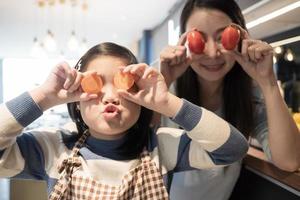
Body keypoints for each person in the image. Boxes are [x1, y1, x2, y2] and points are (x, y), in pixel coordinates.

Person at [0, 42, 249, 199]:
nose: (110, 96)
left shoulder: (161, 147)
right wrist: (44, 97)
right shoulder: (52, 149)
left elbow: (233, 149)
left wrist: (167, 103)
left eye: (124, 85)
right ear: (77, 99)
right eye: (95, 85)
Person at [159, 0, 300, 199]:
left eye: (223, 38)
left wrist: (267, 82)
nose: (212, 53)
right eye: (198, 39)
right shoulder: (168, 93)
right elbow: (135, 149)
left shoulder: (249, 99)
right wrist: (163, 82)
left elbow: (290, 160)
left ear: (241, 39)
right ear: (184, 43)